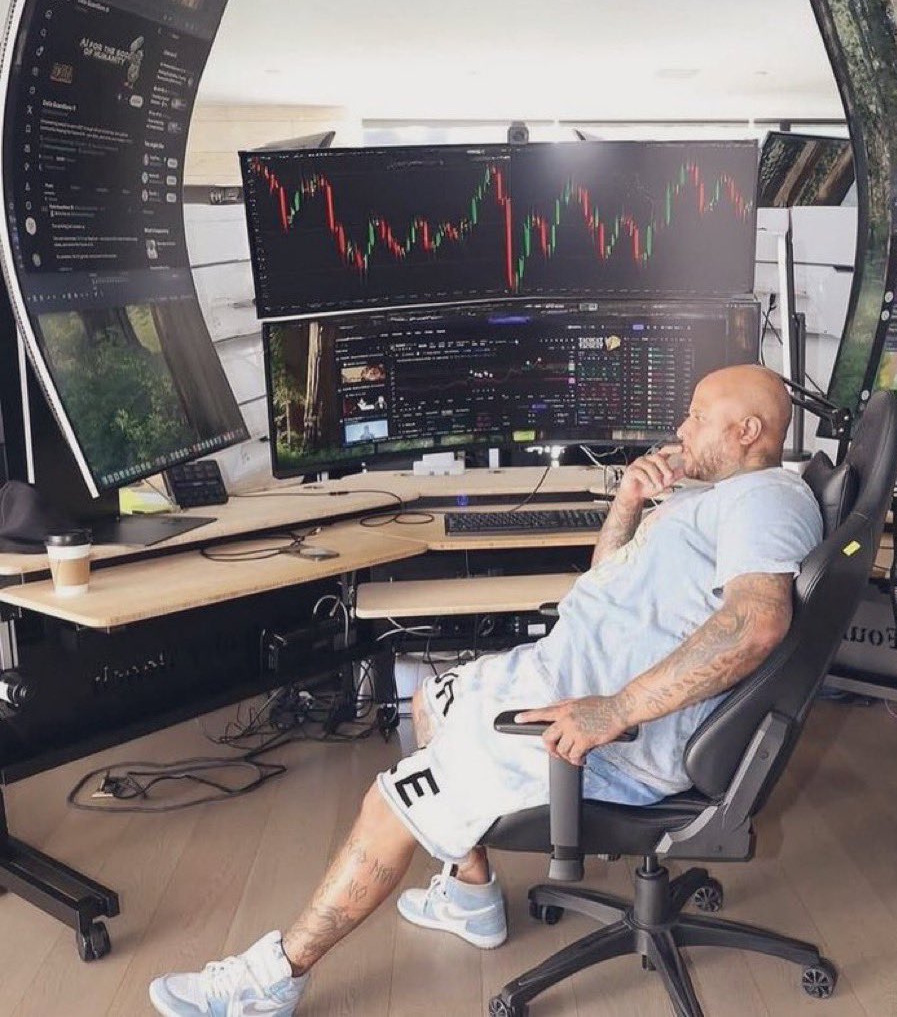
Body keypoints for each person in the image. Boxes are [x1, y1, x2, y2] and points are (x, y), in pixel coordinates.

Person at [149, 364, 822, 1017]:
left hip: (611, 736)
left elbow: (756, 621)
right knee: (427, 700)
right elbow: (605, 582)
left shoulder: (767, 499)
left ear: (747, 431)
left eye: (698, 417)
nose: (681, 427)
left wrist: (615, 710)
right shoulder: (704, 496)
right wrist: (626, 503)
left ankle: (271, 981)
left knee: (388, 807)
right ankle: (470, 896)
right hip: (556, 676)